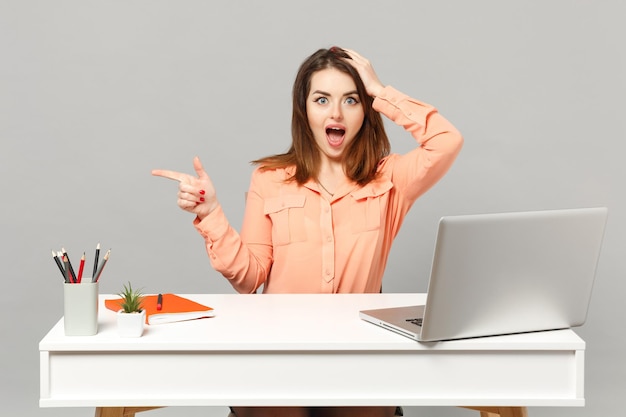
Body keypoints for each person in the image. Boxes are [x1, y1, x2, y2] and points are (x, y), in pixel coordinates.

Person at [152, 47, 463, 417]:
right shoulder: (269, 179)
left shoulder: (390, 179)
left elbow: (446, 141)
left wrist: (381, 91)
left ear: (365, 110)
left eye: (351, 99)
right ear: (305, 110)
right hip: (278, 350)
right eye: (322, 100)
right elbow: (250, 278)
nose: (336, 113)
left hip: (359, 354)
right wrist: (211, 214)